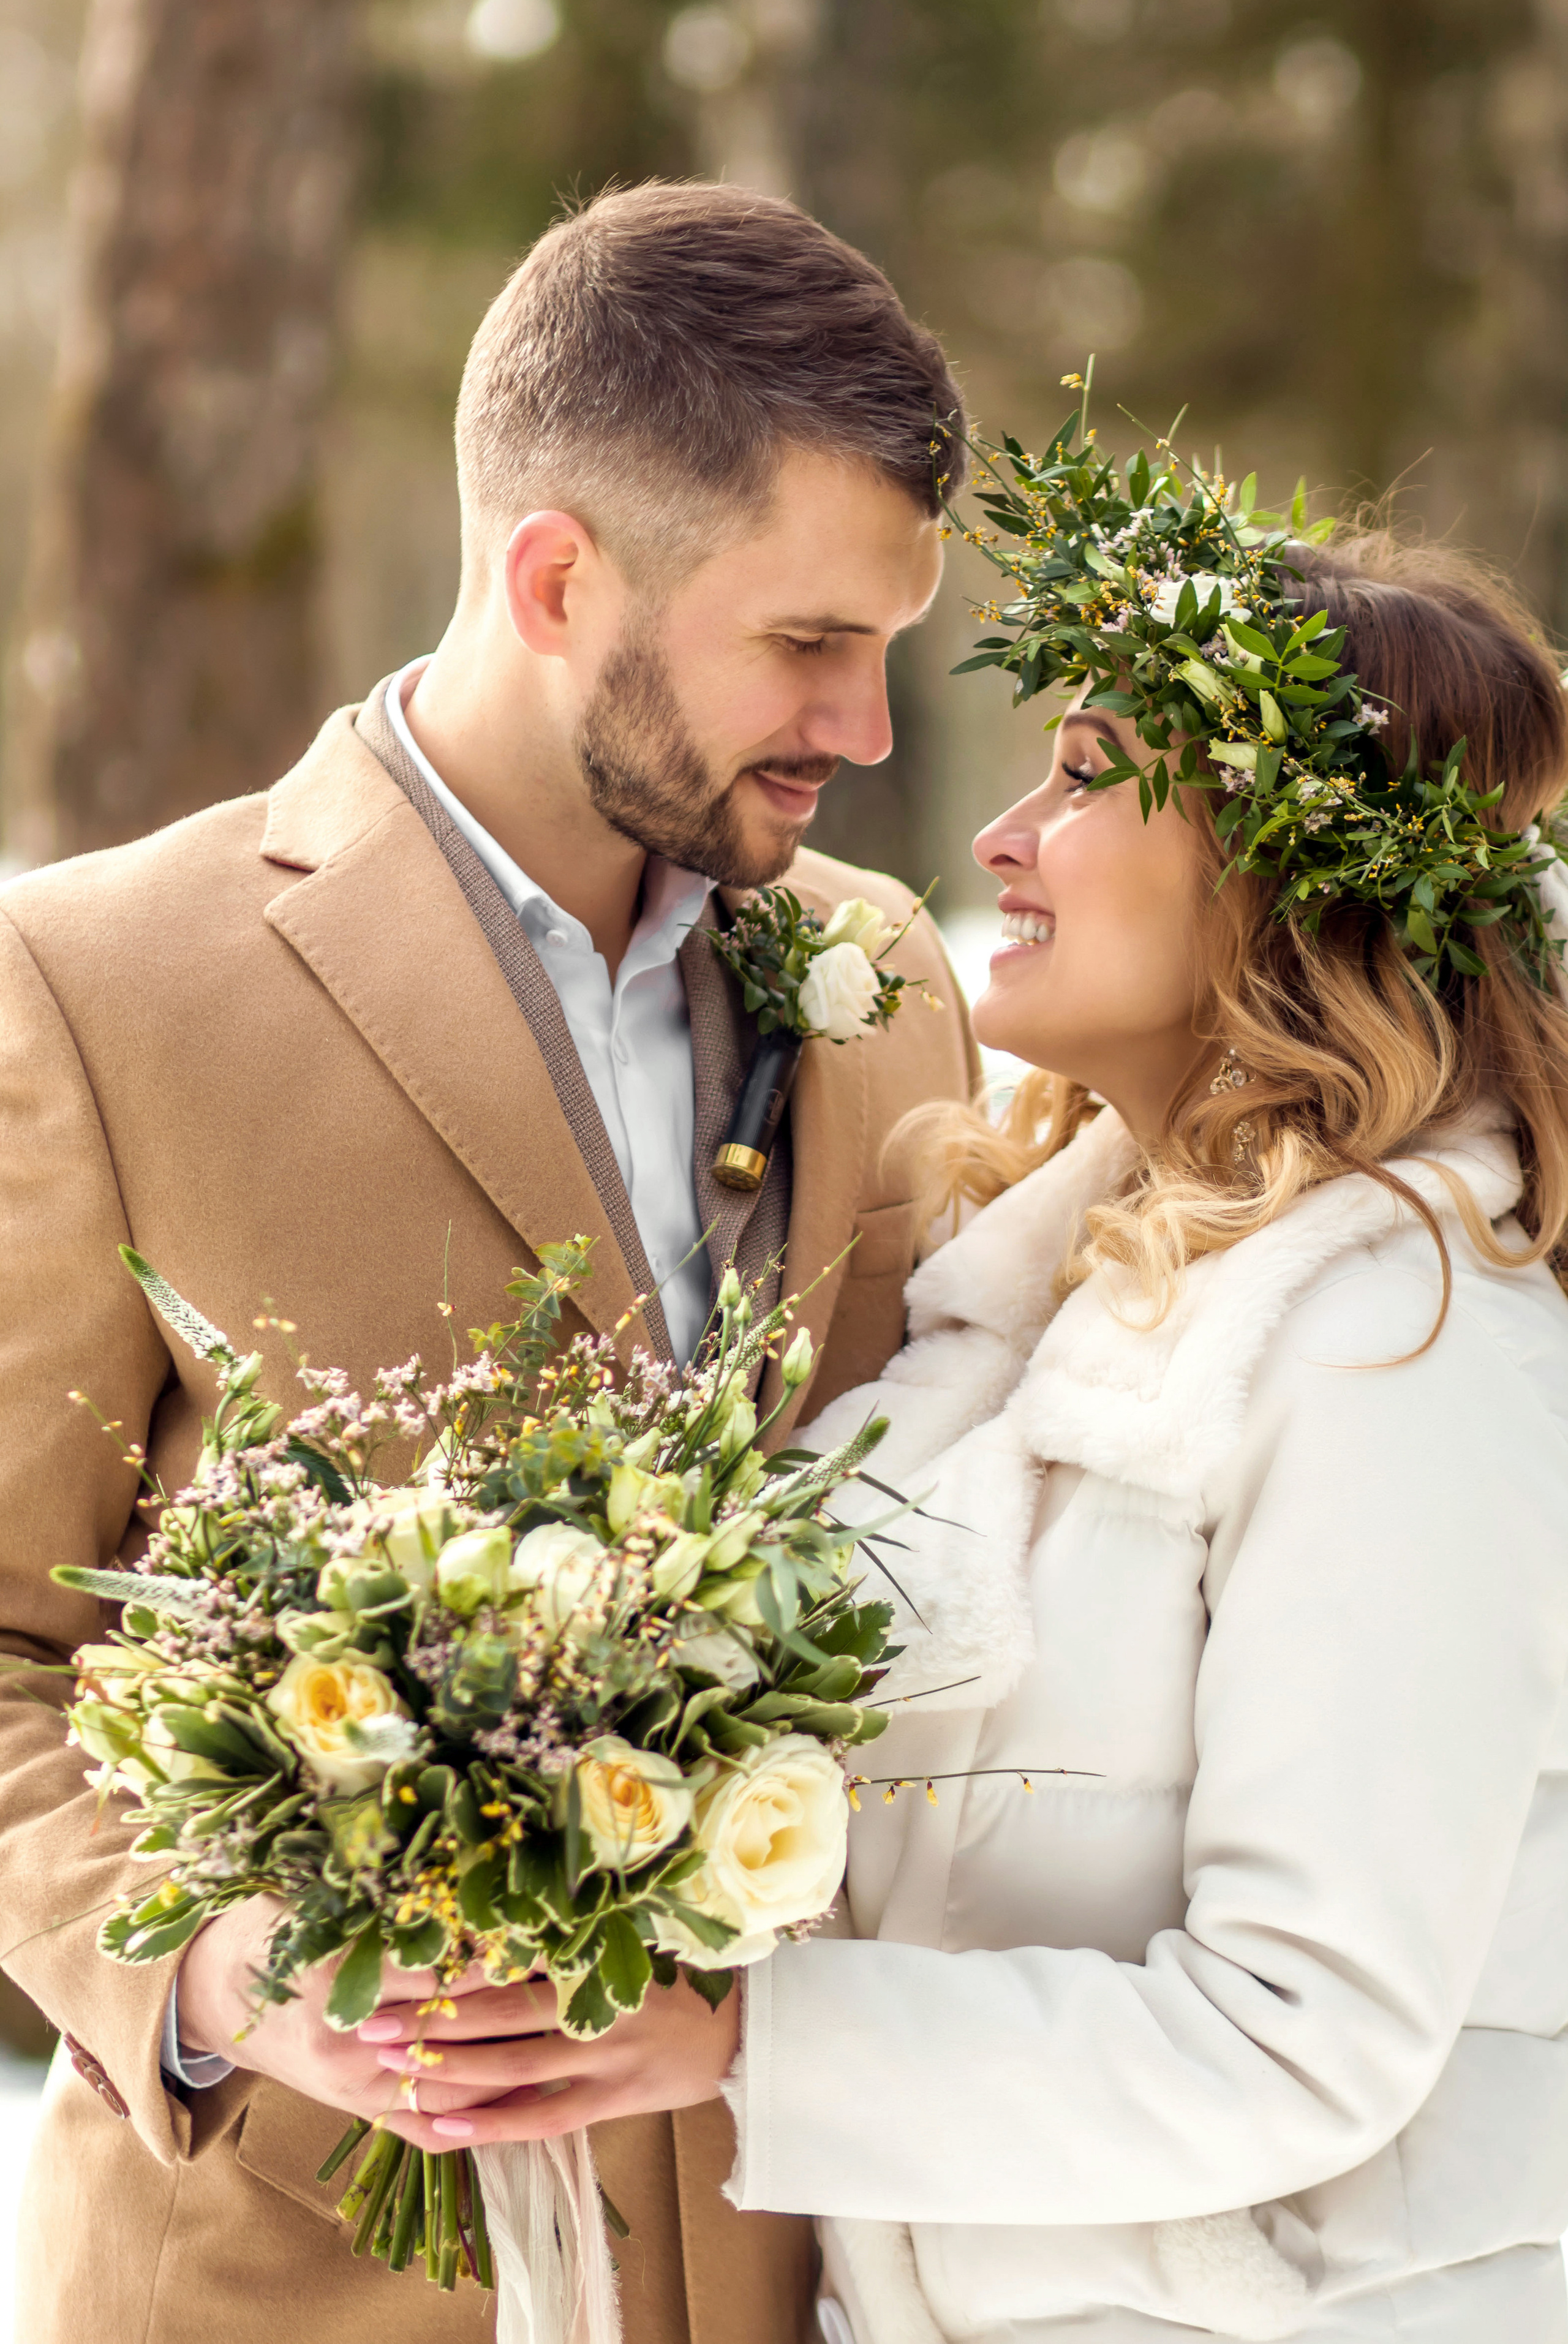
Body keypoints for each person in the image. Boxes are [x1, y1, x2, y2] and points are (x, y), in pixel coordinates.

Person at [372, 506, 1568, 2343]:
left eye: (1087, 777)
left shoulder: (1400, 1343)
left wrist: (743, 2039)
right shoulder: (1021, 1305)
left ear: (1280, 878)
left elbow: (1305, 2035)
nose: (1004, 835)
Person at [0, 180, 978, 2344]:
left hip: (812, 2268)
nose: (869, 728)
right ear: (556, 580)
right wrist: (213, 1979)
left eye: (886, 649)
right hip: (282, 2285)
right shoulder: (93, 983)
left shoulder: (895, 974)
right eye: (808, 644)